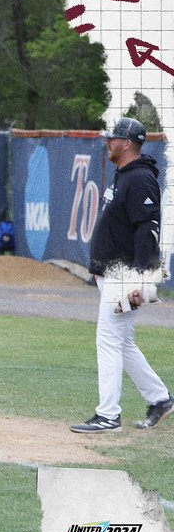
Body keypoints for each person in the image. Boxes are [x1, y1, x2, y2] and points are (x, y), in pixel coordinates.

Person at [70, 117, 173, 433]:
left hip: (125, 274)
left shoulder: (140, 178)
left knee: (109, 341)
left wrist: (141, 280)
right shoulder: (127, 175)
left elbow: (148, 230)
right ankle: (160, 400)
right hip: (114, 274)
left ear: (126, 143)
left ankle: (108, 416)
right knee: (122, 343)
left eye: (112, 138)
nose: (108, 142)